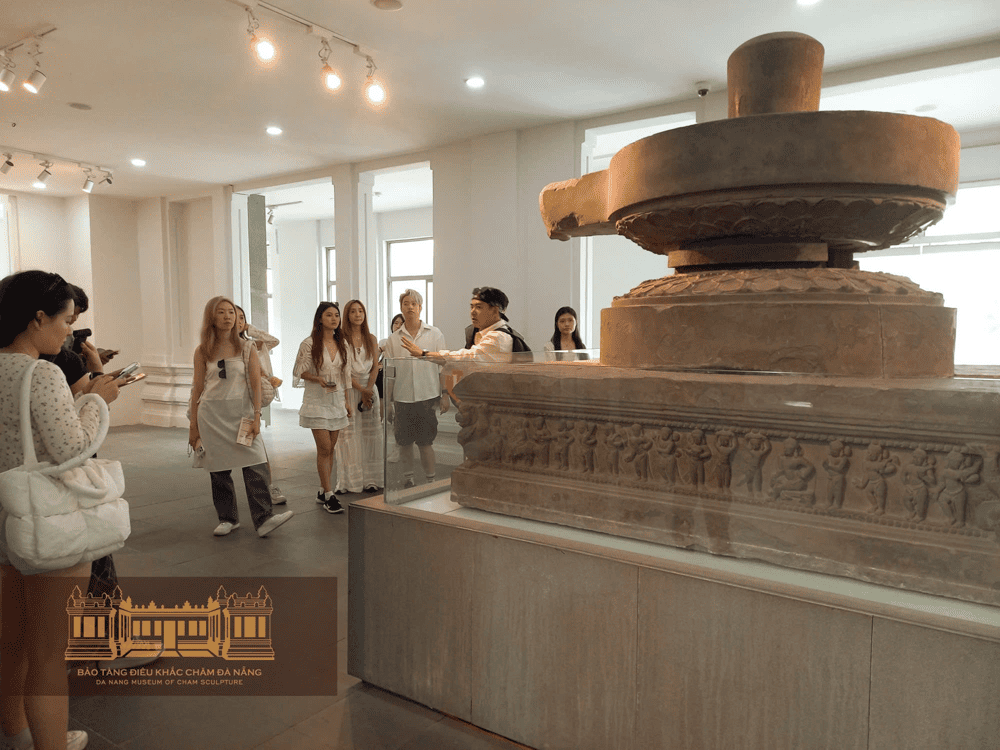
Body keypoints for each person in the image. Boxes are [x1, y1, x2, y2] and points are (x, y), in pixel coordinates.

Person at [0, 270, 121, 750]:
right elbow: (71, 447)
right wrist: (95, 400)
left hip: (3, 516)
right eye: (66, 320)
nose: (70, 331)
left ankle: (13, 732)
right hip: (44, 519)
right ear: (37, 319)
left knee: (10, 642)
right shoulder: (41, 371)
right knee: (49, 652)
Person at [189, 296, 293, 538]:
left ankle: (264, 518)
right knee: (218, 470)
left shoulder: (247, 347)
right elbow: (197, 388)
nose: (228, 317)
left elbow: (257, 385)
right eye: (221, 312)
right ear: (211, 318)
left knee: (255, 464)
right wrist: (193, 426)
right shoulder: (203, 350)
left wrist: (257, 416)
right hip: (212, 416)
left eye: (231, 313)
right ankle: (228, 518)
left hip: (243, 416)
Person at [384, 289, 448, 487]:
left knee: (426, 442)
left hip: (427, 397)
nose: (410, 307)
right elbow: (389, 372)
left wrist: (445, 394)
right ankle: (408, 479)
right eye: (406, 303)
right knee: (404, 443)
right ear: (401, 308)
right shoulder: (394, 339)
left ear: (420, 307)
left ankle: (431, 480)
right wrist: (388, 401)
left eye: (414, 303)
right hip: (402, 398)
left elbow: (444, 366)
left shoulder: (435, 334)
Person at [293, 302, 353, 513]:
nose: (334, 319)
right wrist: (317, 378)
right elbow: (299, 372)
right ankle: (329, 494)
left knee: (331, 449)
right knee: (324, 448)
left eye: (336, 315)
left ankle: (322, 489)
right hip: (316, 402)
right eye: (329, 315)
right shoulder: (309, 343)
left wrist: (347, 401)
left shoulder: (342, 344)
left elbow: (345, 376)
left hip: (335, 401)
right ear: (320, 318)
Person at [235, 305, 286, 505]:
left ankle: (268, 488)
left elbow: (274, 340)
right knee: (231, 454)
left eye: (241, 317)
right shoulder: (220, 347)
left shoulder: (254, 345)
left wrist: (251, 328)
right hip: (229, 406)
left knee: (257, 450)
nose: (237, 321)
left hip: (250, 404)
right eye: (233, 316)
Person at [401, 286, 524, 362]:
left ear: (495, 311)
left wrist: (424, 354)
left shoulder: (498, 337)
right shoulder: (479, 332)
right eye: (471, 306)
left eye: (479, 307)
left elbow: (465, 358)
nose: (473, 312)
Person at [335, 300, 383, 493]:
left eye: (361, 311)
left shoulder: (371, 338)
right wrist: (361, 390)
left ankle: (371, 478)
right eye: (353, 311)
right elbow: (342, 370)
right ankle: (348, 481)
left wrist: (368, 389)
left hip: (369, 390)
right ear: (347, 315)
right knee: (349, 437)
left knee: (370, 436)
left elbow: (375, 367)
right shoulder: (341, 339)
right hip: (350, 389)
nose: (357, 314)